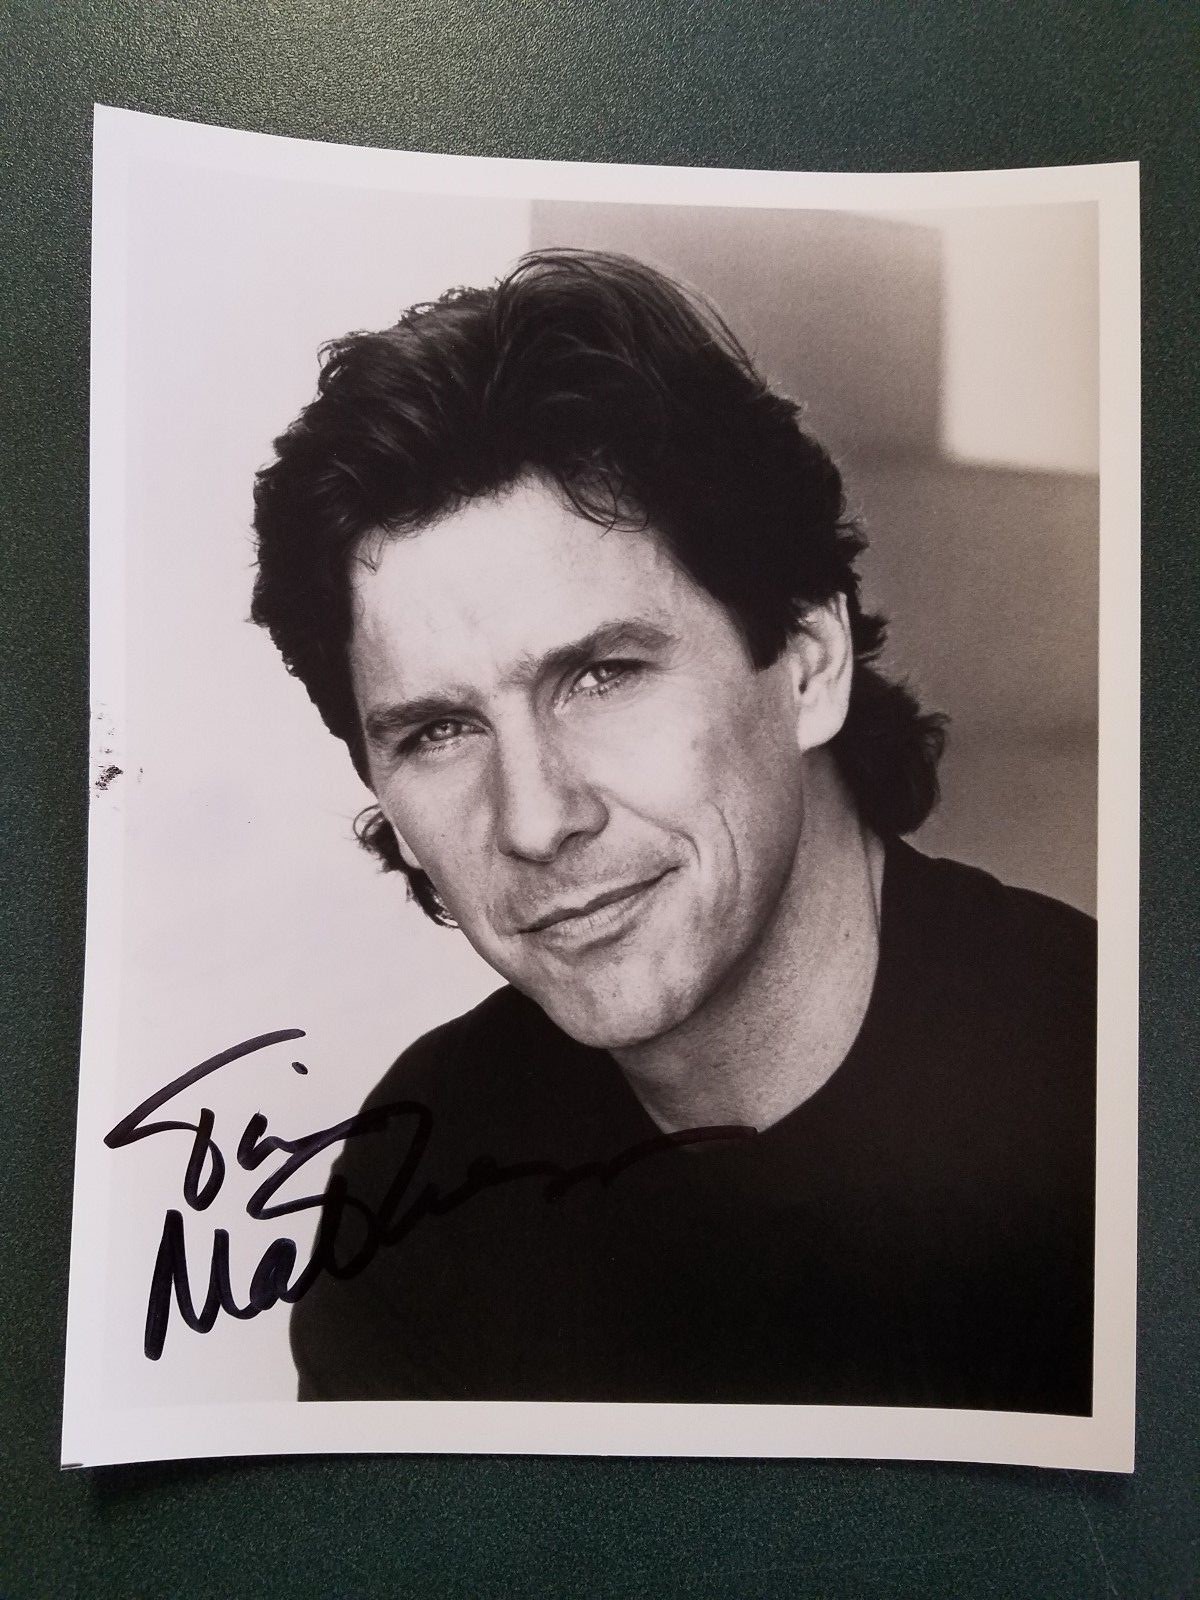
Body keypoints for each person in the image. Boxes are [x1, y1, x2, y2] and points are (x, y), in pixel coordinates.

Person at [251, 249, 1096, 1411]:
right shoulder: (426, 1161)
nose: (536, 819)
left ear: (808, 663)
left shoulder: (1117, 1092)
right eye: (440, 730)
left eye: (601, 676)